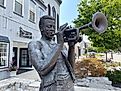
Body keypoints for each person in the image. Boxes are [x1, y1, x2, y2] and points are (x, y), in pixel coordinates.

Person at [28, 15, 76, 91]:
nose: (52, 29)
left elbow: (71, 68)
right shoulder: (35, 44)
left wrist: (72, 46)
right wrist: (59, 44)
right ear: (41, 28)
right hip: (52, 87)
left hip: (68, 85)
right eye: (49, 27)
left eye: (54, 27)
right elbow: (42, 70)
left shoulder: (61, 46)